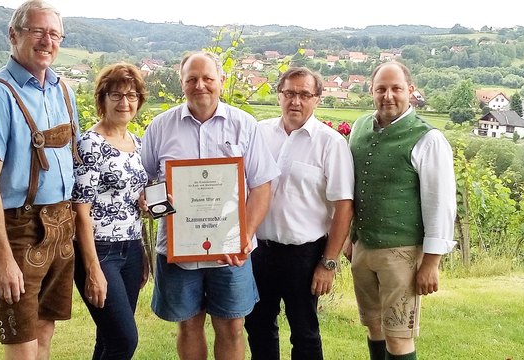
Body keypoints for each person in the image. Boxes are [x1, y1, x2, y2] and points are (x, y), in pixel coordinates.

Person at [140, 51, 279, 360]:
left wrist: (245, 235)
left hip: (231, 250)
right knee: (188, 326)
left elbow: (261, 186)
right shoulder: (161, 127)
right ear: (181, 83)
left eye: (207, 78)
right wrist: (153, 202)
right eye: (191, 79)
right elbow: (146, 182)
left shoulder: (245, 125)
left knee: (232, 326)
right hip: (177, 250)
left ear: (222, 81)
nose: (199, 85)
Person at [0, 1, 79, 359]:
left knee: (44, 334)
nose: (47, 41)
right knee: (22, 346)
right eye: (38, 31)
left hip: (61, 224)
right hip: (17, 231)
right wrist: (2, 259)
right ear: (13, 35)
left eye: (55, 34)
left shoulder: (63, 90)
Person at [344, 61, 457, 360]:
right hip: (363, 247)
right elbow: (353, 188)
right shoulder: (359, 127)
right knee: (374, 328)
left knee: (399, 337)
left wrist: (431, 263)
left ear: (410, 91)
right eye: (381, 89)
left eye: (396, 88)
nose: (388, 95)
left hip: (403, 253)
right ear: (371, 91)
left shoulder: (428, 139)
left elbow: (441, 203)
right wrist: (348, 237)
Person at [244, 67, 354, 360]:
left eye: (304, 94)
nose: (295, 101)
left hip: (304, 256)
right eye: (289, 93)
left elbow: (344, 207)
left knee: (305, 334)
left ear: (317, 99)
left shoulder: (331, 143)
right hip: (259, 252)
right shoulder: (258, 133)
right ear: (279, 95)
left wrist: (327, 263)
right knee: (257, 327)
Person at [71, 62, 150, 359]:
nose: (124, 103)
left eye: (131, 96)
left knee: (107, 339)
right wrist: (92, 267)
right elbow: (80, 209)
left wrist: (145, 203)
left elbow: (133, 200)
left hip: (130, 249)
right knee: (124, 341)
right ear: (102, 99)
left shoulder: (137, 142)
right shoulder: (91, 143)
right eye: (116, 95)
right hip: (100, 250)